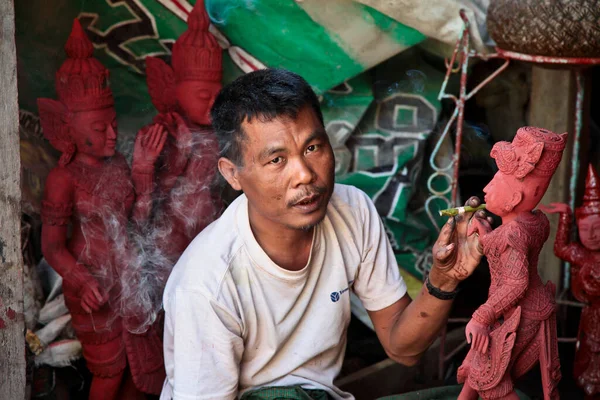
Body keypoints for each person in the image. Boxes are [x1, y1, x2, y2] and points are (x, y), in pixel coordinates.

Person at [160, 68, 492, 400]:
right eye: (276, 159)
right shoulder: (206, 285)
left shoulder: (352, 211)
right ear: (233, 174)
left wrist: (445, 279)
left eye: (312, 147)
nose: (304, 175)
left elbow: (402, 348)